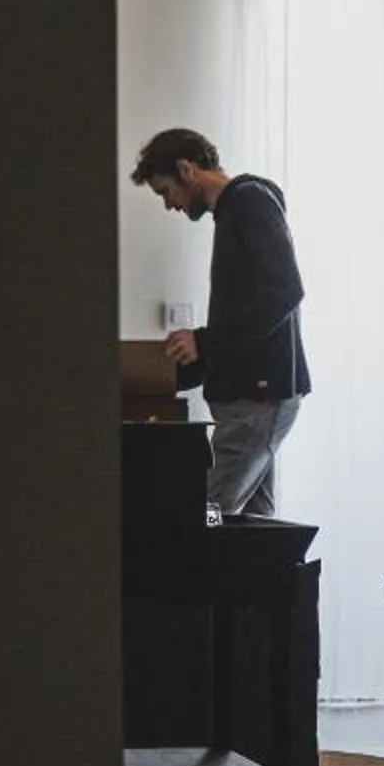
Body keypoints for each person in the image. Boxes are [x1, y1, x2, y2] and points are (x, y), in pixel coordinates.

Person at [130, 127, 311, 520]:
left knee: (204, 517)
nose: (169, 204)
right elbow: (251, 307)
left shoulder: (249, 201)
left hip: (258, 396)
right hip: (253, 395)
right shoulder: (236, 210)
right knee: (251, 526)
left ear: (187, 169)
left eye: (166, 192)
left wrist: (205, 342)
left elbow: (283, 290)